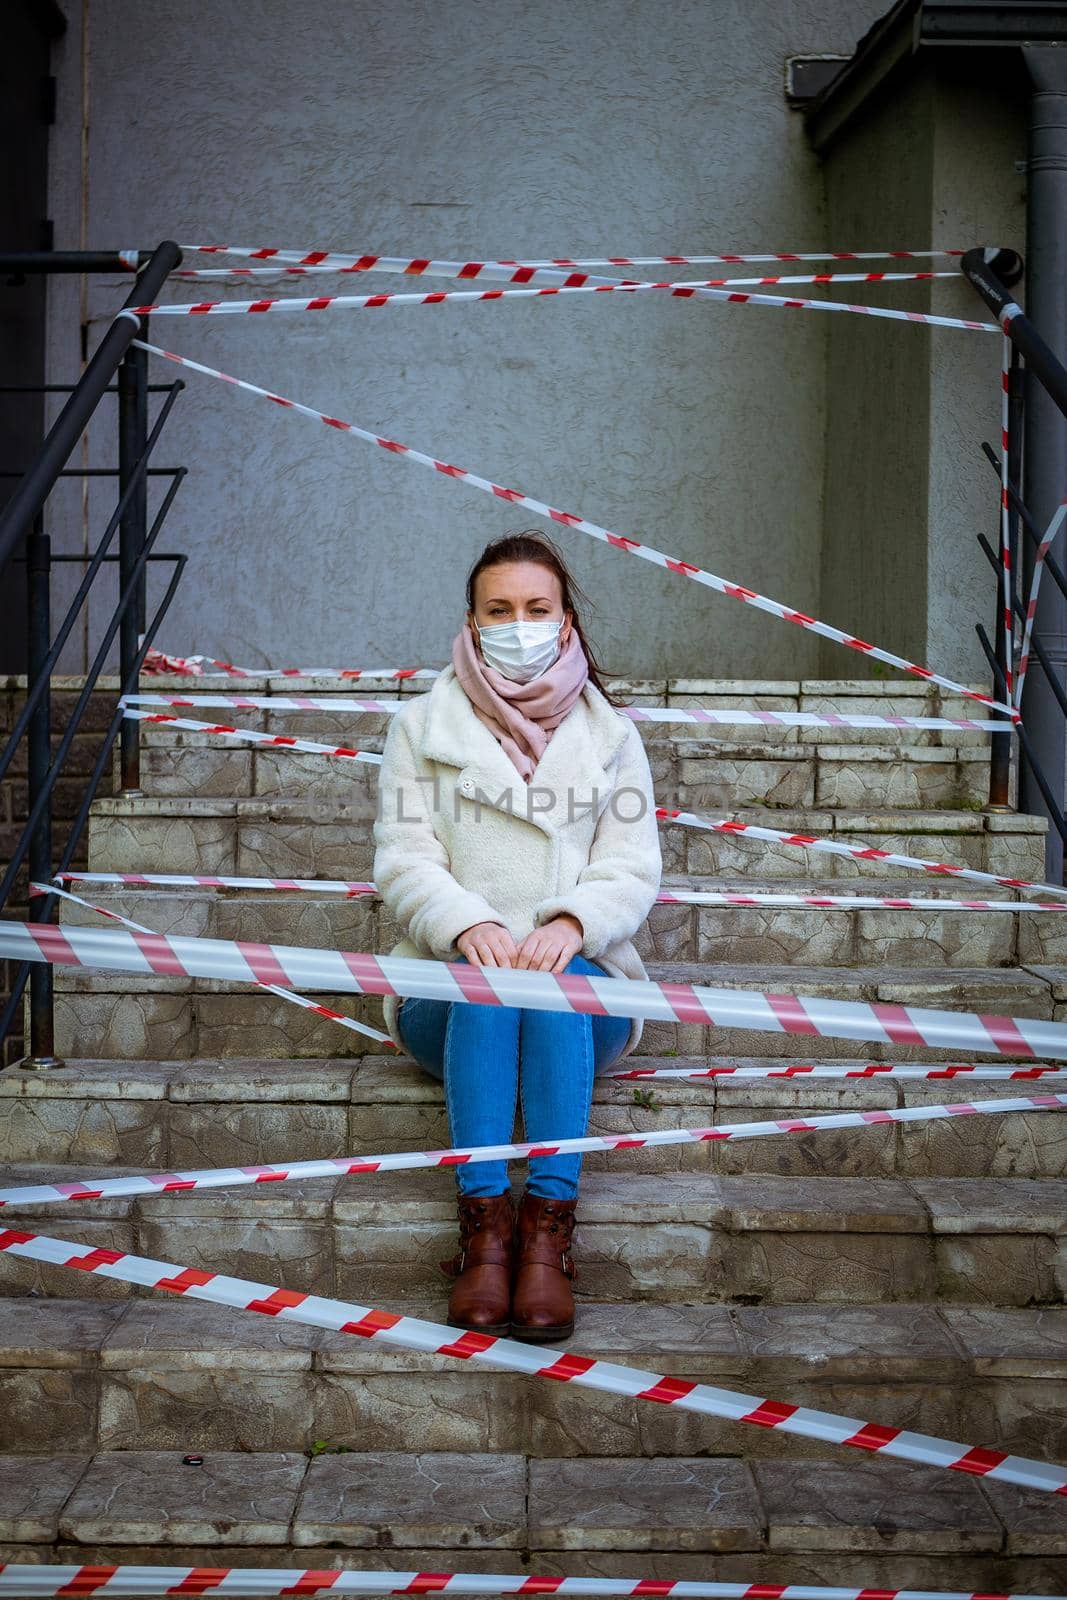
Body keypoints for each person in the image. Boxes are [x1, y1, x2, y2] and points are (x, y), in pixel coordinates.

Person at [371, 529, 662, 1343]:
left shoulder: (611, 740)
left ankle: (546, 1236)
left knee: (548, 987)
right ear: (470, 619)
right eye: (499, 609)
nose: (519, 623)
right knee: (492, 991)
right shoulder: (419, 730)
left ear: (567, 622)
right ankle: (485, 1235)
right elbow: (403, 861)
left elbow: (632, 868)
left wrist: (572, 923)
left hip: (586, 989)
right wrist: (469, 925)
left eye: (537, 608)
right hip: (448, 995)